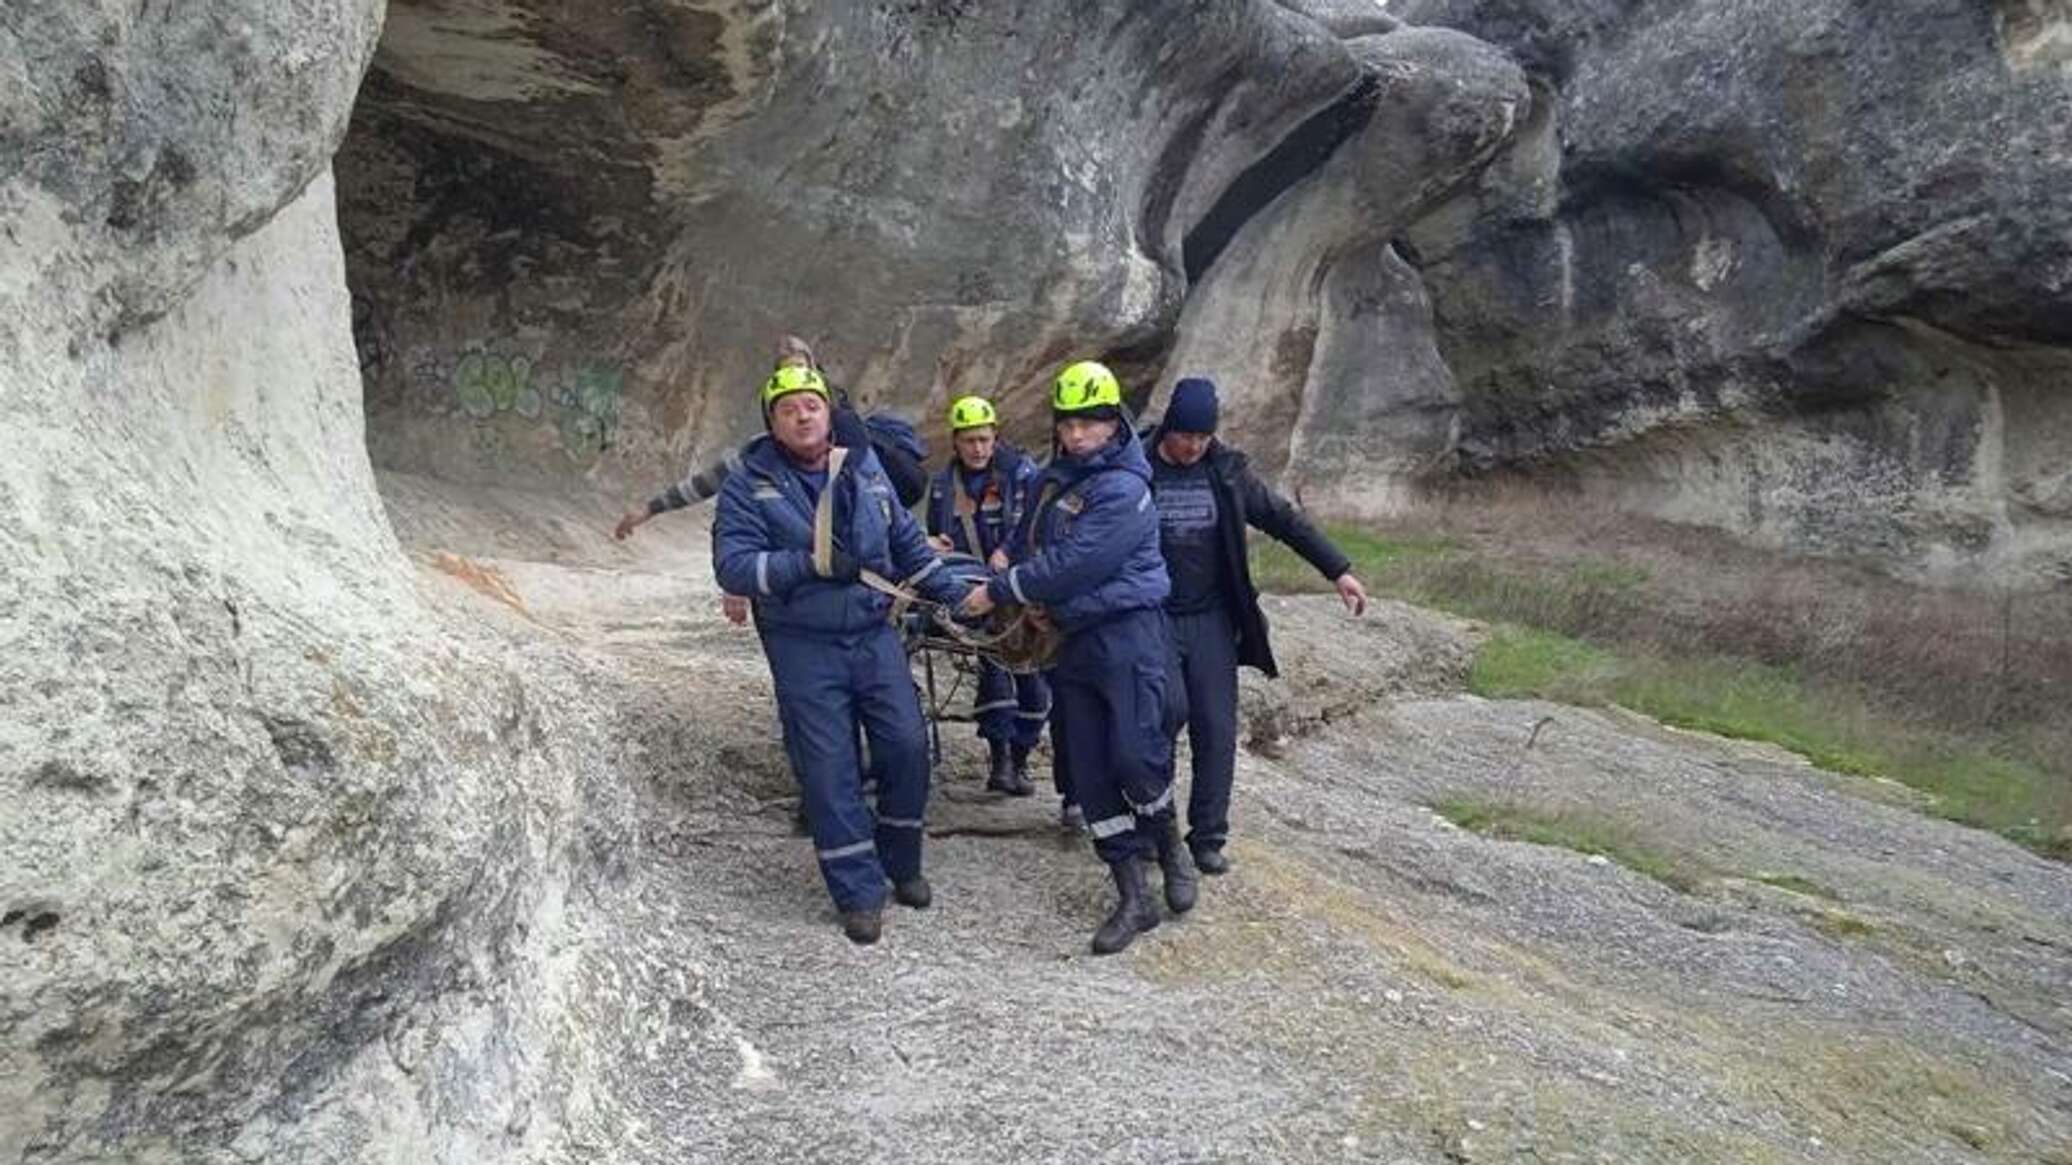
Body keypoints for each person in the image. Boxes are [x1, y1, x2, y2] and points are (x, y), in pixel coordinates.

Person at [713, 363, 966, 945]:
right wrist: (807, 564)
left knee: (906, 745)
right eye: (788, 409)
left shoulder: (863, 465)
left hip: (873, 634)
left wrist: (953, 593)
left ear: (829, 412)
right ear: (772, 424)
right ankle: (858, 891)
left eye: (811, 405)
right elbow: (732, 565)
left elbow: (904, 539)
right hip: (804, 644)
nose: (802, 415)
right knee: (830, 771)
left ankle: (901, 862)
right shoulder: (750, 482)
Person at [961, 360, 1192, 955]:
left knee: (1137, 757)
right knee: (1089, 768)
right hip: (1073, 639)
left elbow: (1076, 563)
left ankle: (1168, 842)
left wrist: (1003, 590)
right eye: (1069, 424)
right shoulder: (1053, 479)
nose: (1077, 435)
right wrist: (1004, 555)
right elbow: (1028, 534)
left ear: (1114, 423)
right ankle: (1133, 894)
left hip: (1127, 632)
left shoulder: (1124, 489)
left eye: (1090, 424)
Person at [1147, 376, 1368, 876]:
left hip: (1209, 619)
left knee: (1217, 729)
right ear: (1169, 429)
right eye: (1186, 437)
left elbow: (1285, 521)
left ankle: (1207, 837)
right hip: (1152, 617)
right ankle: (1153, 830)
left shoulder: (1227, 472)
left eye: (1203, 438)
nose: (1194, 447)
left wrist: (1339, 570)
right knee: (1157, 723)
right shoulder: (1136, 468)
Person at [615, 335, 928, 542]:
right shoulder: (766, 451)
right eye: (784, 379)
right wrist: (651, 508)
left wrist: (917, 544)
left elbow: (884, 505)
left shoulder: (852, 439)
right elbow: (713, 482)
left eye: (804, 381)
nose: (801, 411)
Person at [924, 394, 1049, 796]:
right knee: (995, 668)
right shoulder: (944, 486)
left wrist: (1008, 554)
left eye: (984, 439)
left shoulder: (1023, 476)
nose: (977, 448)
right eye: (969, 441)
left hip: (1018, 590)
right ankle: (1000, 762)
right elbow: (937, 531)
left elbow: (1033, 526)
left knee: (1030, 677)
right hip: (972, 592)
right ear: (956, 442)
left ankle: (1021, 757)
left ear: (996, 437)